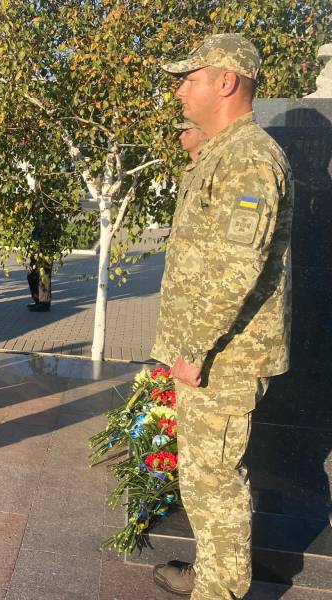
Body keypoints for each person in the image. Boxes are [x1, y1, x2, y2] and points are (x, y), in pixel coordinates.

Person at [150, 34, 293, 599]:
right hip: (211, 350)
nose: (182, 90)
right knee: (202, 476)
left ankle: (221, 592)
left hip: (224, 355)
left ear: (226, 82)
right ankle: (214, 575)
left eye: (191, 78)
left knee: (216, 482)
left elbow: (239, 266)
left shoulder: (250, 158)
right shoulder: (224, 151)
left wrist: (196, 348)